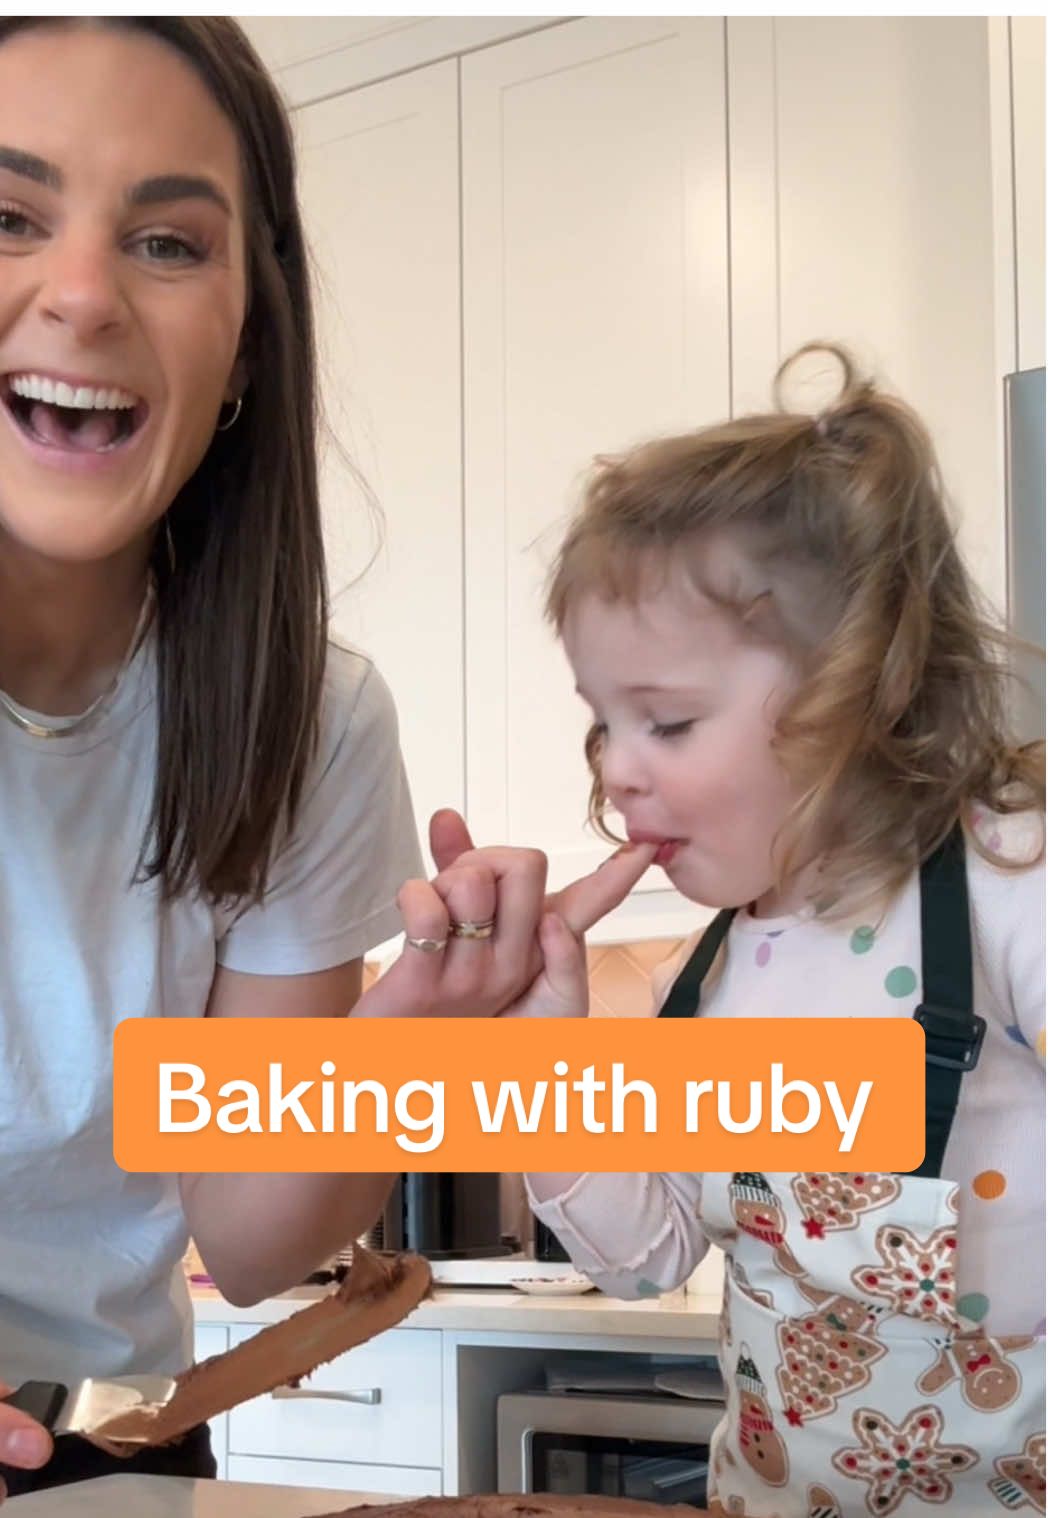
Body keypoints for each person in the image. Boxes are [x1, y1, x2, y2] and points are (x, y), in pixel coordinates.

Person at [0, 16, 654, 1498]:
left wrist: (403, 1051)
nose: (85, 293)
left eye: (169, 242)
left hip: (103, 1452)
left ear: (244, 348)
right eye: (7, 216)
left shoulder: (303, 716)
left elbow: (248, 1236)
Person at [451, 346, 1043, 1516]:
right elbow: (643, 1256)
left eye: (664, 722)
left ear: (853, 688)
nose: (617, 771)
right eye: (602, 723)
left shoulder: (1007, 883)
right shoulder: (709, 972)